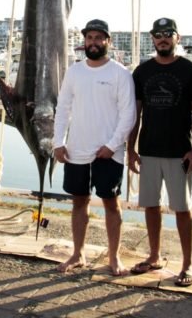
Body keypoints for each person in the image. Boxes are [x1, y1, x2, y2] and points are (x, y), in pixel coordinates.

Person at [53, 19, 136, 275]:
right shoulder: (74, 71)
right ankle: (77, 254)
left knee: (111, 204)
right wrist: (58, 142)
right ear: (84, 41)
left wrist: (112, 146)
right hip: (76, 149)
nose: (94, 42)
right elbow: (63, 108)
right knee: (79, 203)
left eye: (99, 38)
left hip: (108, 152)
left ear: (108, 42)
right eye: (90, 38)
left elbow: (129, 114)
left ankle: (114, 258)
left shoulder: (120, 73)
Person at [127, 17, 192, 287]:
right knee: (150, 205)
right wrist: (131, 149)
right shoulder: (142, 71)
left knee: (183, 209)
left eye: (168, 34)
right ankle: (154, 256)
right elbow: (135, 114)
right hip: (148, 149)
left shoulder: (191, 70)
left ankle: (187, 264)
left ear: (177, 38)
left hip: (180, 152)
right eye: (158, 34)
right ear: (153, 39)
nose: (163, 38)